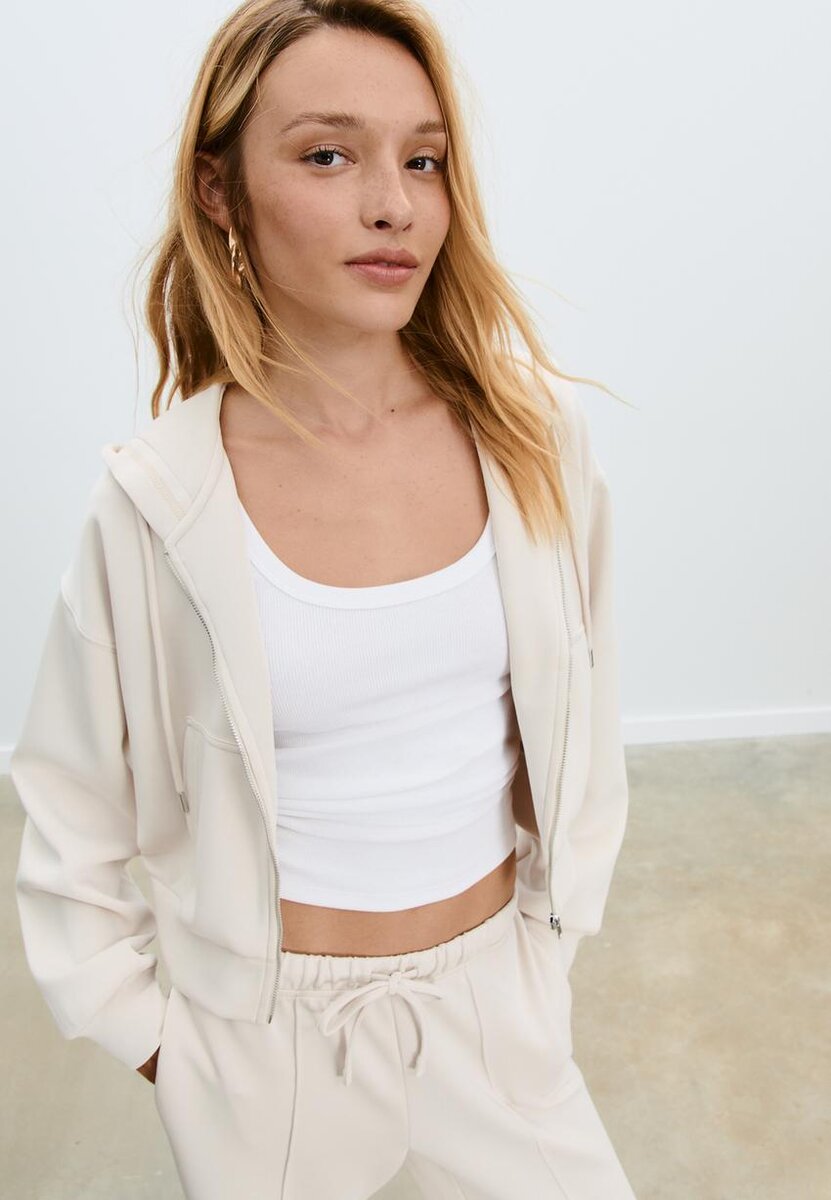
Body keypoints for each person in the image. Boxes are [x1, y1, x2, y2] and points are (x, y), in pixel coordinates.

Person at [11, 2, 637, 1197]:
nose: (394, 205)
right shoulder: (157, 503)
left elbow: (587, 731)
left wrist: (541, 955)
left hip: (498, 1013)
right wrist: (176, 1054)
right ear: (219, 190)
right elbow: (68, 822)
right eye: (328, 155)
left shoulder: (536, 444)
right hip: (268, 1050)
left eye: (424, 160)